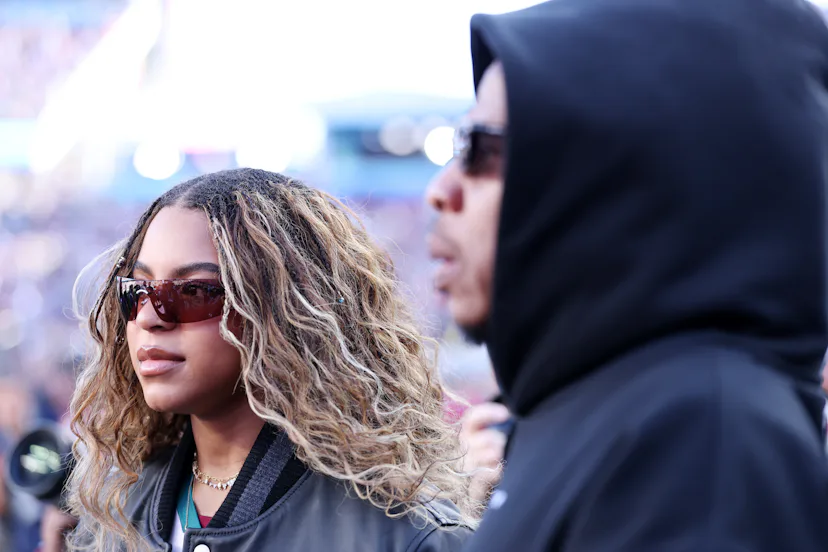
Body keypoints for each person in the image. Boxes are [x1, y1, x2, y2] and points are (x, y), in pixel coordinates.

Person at [426, 0, 828, 550]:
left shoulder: (699, 438)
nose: (441, 190)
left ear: (612, 170)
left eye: (478, 150)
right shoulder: (601, 414)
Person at [65, 168, 475, 552]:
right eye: (136, 291)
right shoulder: (110, 516)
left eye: (191, 292)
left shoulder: (404, 535)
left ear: (285, 311)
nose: (150, 318)